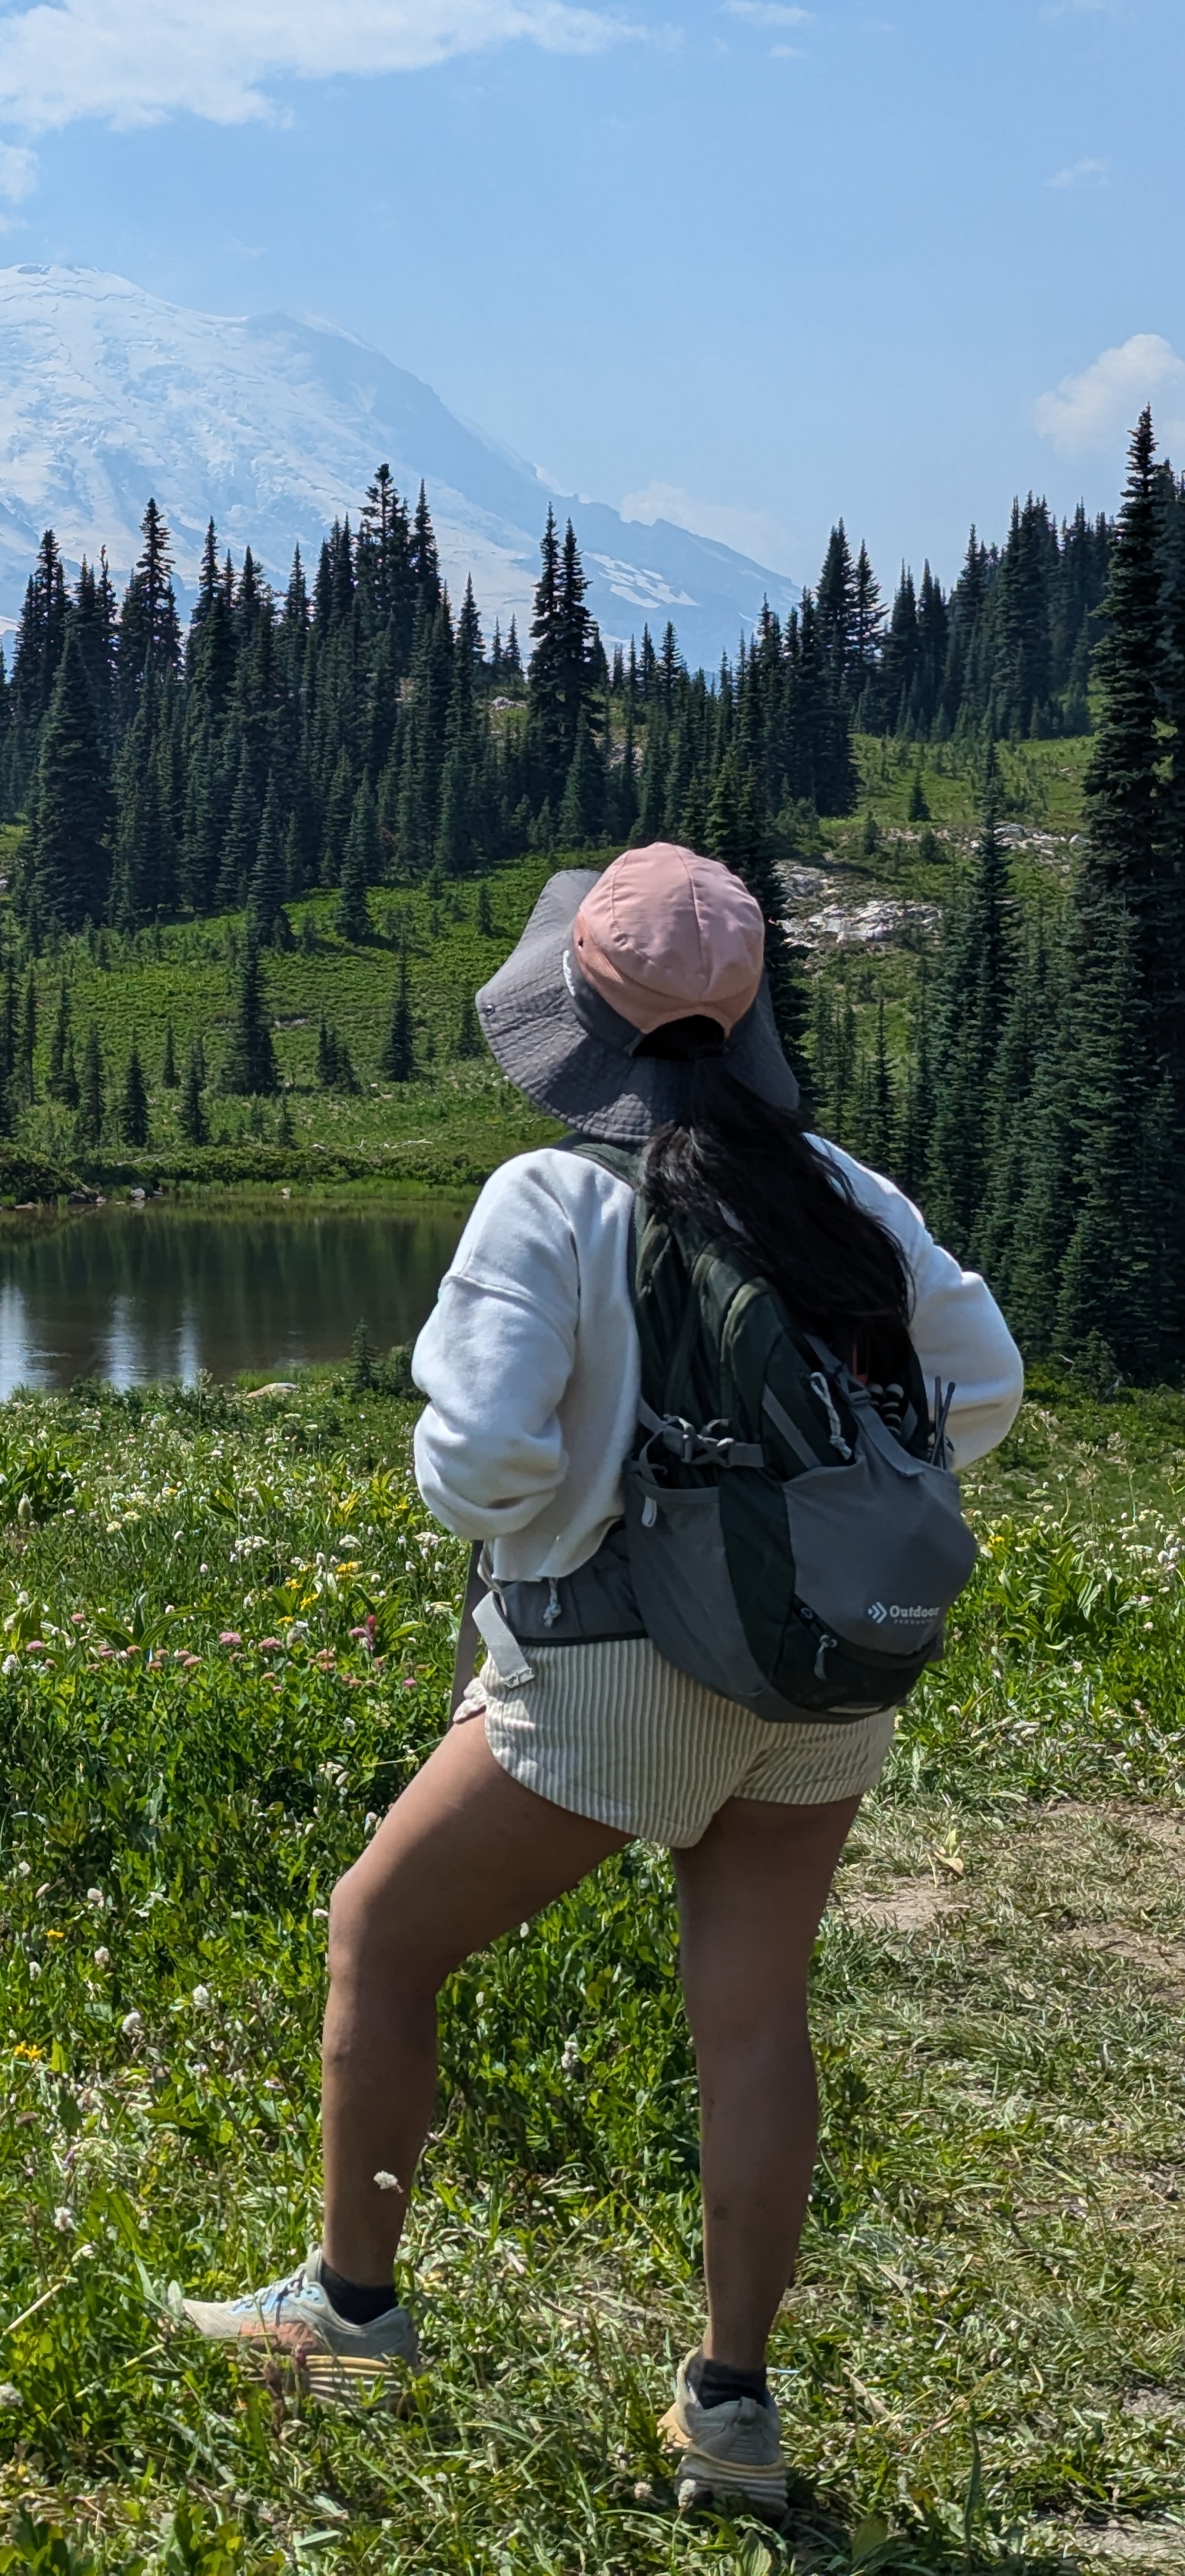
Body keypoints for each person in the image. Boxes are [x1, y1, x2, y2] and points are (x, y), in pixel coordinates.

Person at [180, 844, 1021, 2515]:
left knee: (380, 1936)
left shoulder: (553, 1196)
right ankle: (732, 2416)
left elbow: (480, 1467)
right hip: (826, 1673)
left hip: (611, 1664)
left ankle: (350, 2318)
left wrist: (571, 1497)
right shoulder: (848, 1192)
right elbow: (975, 1391)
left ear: (576, 1017)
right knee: (755, 2016)